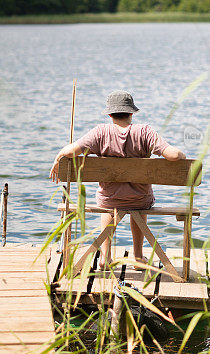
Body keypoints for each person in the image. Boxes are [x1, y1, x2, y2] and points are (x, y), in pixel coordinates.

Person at [49, 91, 186, 268]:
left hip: (109, 200)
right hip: (140, 200)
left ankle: (105, 258)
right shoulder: (145, 132)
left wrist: (58, 157)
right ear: (131, 113)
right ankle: (138, 257)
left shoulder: (100, 132)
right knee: (140, 204)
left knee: (108, 205)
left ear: (109, 114)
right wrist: (182, 154)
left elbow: (69, 152)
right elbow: (173, 155)